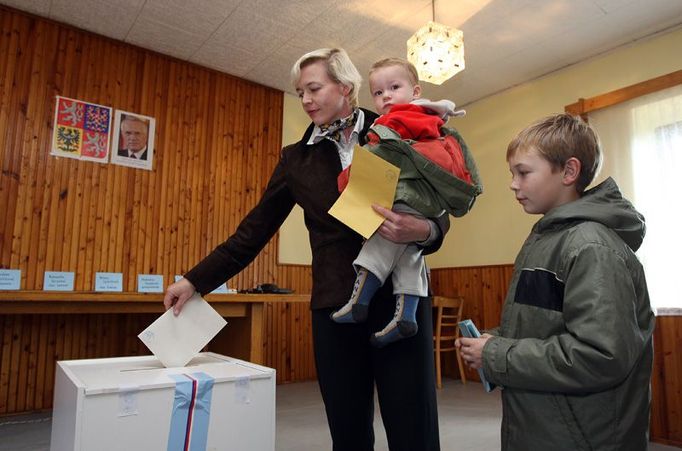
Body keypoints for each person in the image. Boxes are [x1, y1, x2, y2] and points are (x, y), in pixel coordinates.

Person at [163, 48, 447, 451]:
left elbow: (440, 205)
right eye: (300, 93)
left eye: (314, 88)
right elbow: (252, 232)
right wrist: (194, 281)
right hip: (335, 307)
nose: (306, 100)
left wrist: (423, 229)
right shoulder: (295, 160)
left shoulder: (397, 126)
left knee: (414, 428)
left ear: (345, 87)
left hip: (402, 301)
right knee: (348, 431)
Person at [456, 113, 654, 451]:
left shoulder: (591, 246)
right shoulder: (547, 239)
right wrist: (495, 340)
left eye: (523, 172)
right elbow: (546, 326)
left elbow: (600, 355)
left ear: (569, 171)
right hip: (544, 426)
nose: (513, 184)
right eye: (512, 174)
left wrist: (500, 354)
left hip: (583, 437)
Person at [331, 58, 481, 348]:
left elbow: (380, 155)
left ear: (415, 91)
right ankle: (406, 318)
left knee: (379, 242)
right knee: (410, 256)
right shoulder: (425, 116)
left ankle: (359, 300)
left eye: (394, 87)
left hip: (405, 197)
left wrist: (346, 179)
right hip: (424, 202)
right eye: (377, 92)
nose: (385, 96)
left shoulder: (398, 119)